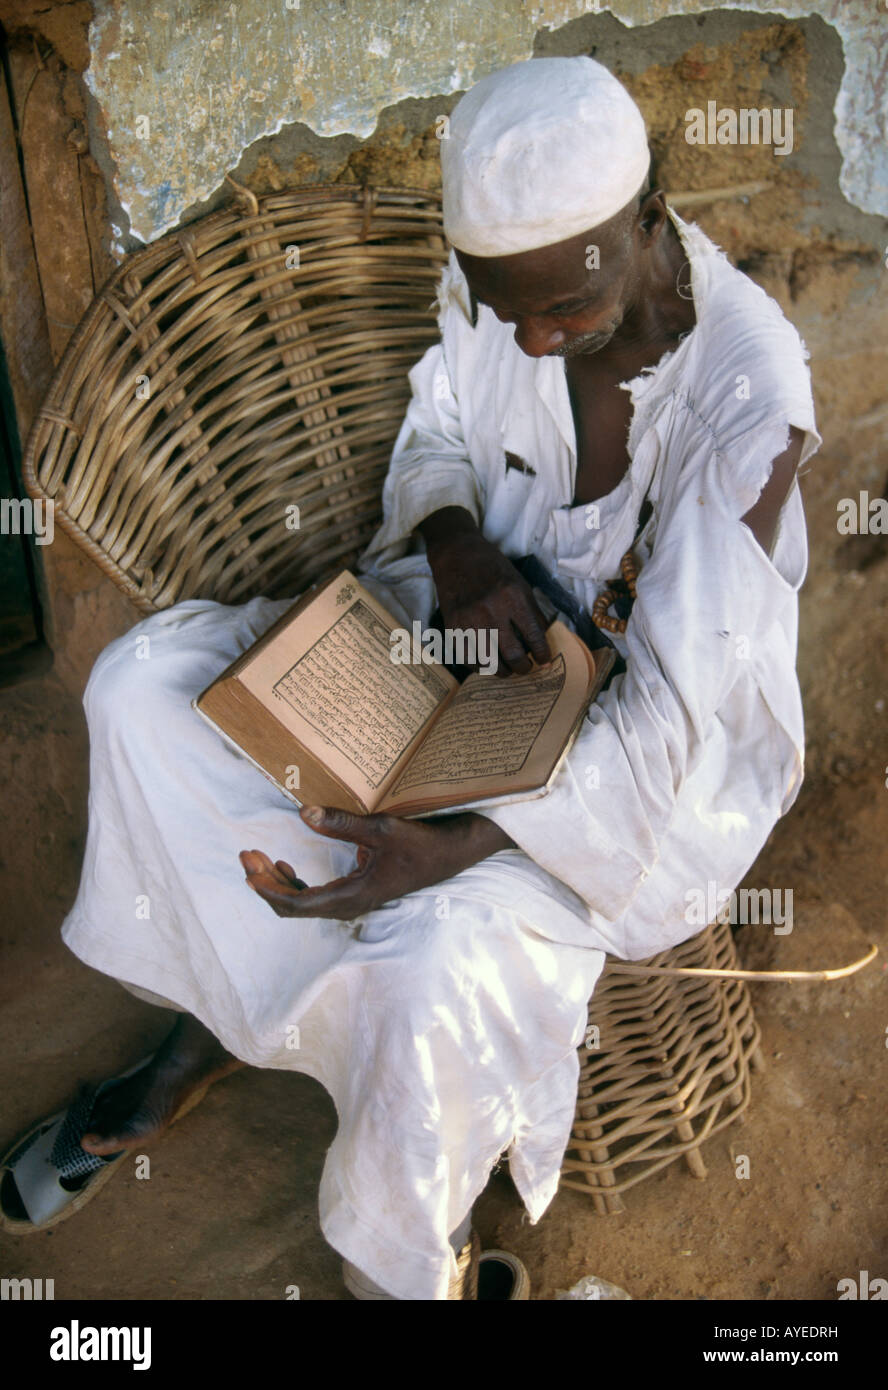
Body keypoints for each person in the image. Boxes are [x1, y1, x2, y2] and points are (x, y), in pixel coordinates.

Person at [0, 56, 820, 1300]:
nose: (534, 339)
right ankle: (223, 1021)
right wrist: (457, 541)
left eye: (566, 314)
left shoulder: (749, 399)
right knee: (139, 697)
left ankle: (392, 1261)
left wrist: (455, 843)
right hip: (453, 646)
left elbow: (672, 730)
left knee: (438, 968)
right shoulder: (502, 281)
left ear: (646, 223)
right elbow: (439, 431)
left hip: (629, 781)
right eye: (509, 311)